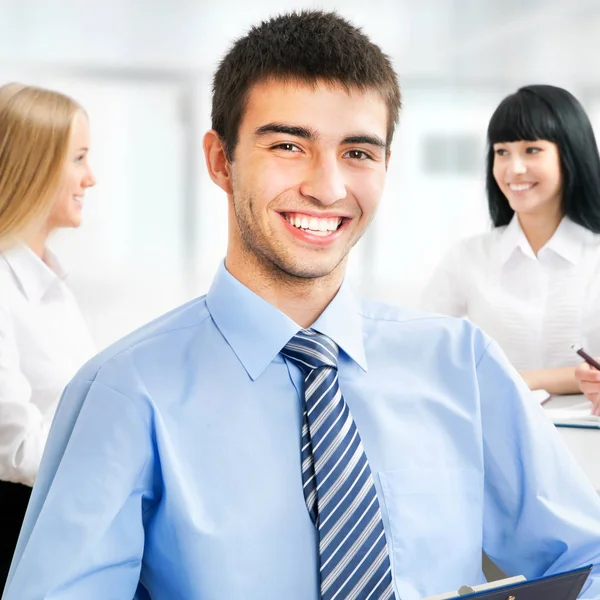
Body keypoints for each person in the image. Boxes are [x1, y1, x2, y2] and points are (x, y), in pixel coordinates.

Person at [5, 13, 600, 600]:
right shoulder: (123, 393)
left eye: (359, 153)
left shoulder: (462, 365)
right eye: (289, 145)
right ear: (220, 160)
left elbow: (587, 560)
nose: (329, 186)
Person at [422, 84, 600, 395]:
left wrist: (527, 380)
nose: (514, 169)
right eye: (502, 152)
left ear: (570, 153)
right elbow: (421, 348)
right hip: (493, 436)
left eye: (532, 150)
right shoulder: (469, 257)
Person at [0, 82, 96, 591]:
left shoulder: (51, 281)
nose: (91, 178)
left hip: (56, 526)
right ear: (33, 164)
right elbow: (12, 448)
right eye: (78, 158)